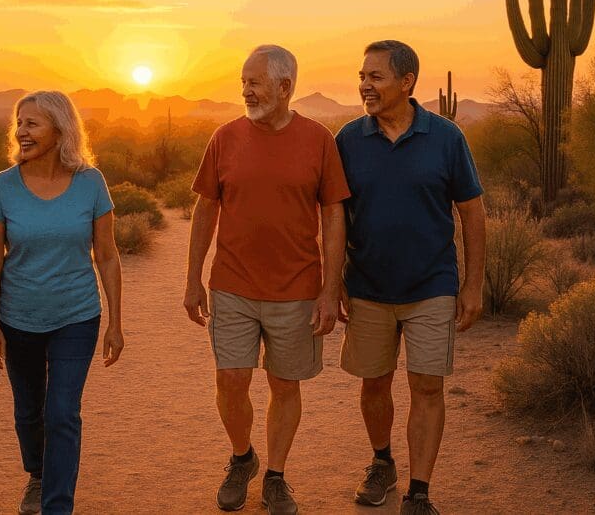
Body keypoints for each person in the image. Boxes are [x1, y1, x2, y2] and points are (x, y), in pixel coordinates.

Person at [184, 45, 349, 515]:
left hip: (296, 289)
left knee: (284, 384)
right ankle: (243, 458)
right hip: (232, 284)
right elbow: (205, 208)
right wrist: (193, 279)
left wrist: (330, 289)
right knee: (231, 378)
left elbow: (333, 214)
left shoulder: (318, 140)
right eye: (243, 82)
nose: (246, 91)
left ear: (285, 86)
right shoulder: (225, 137)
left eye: (254, 82)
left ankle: (275, 476)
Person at [335, 40, 485, 515]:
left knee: (427, 387)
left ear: (407, 82)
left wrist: (473, 285)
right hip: (367, 285)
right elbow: (333, 216)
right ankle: (382, 463)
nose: (365, 85)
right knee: (374, 384)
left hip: (431, 285)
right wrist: (332, 281)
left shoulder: (446, 138)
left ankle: (418, 493)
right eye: (362, 77)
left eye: (375, 77)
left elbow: (472, 212)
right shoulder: (348, 140)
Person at [0, 90, 124, 515]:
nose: (21, 132)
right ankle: (38, 474)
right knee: (29, 412)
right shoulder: (3, 186)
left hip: (76, 316)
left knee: (62, 412)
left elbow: (107, 255)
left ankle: (56, 505)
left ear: (60, 130)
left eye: (32, 124)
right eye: (19, 123)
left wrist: (116, 322)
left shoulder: (91, 183)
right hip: (17, 317)